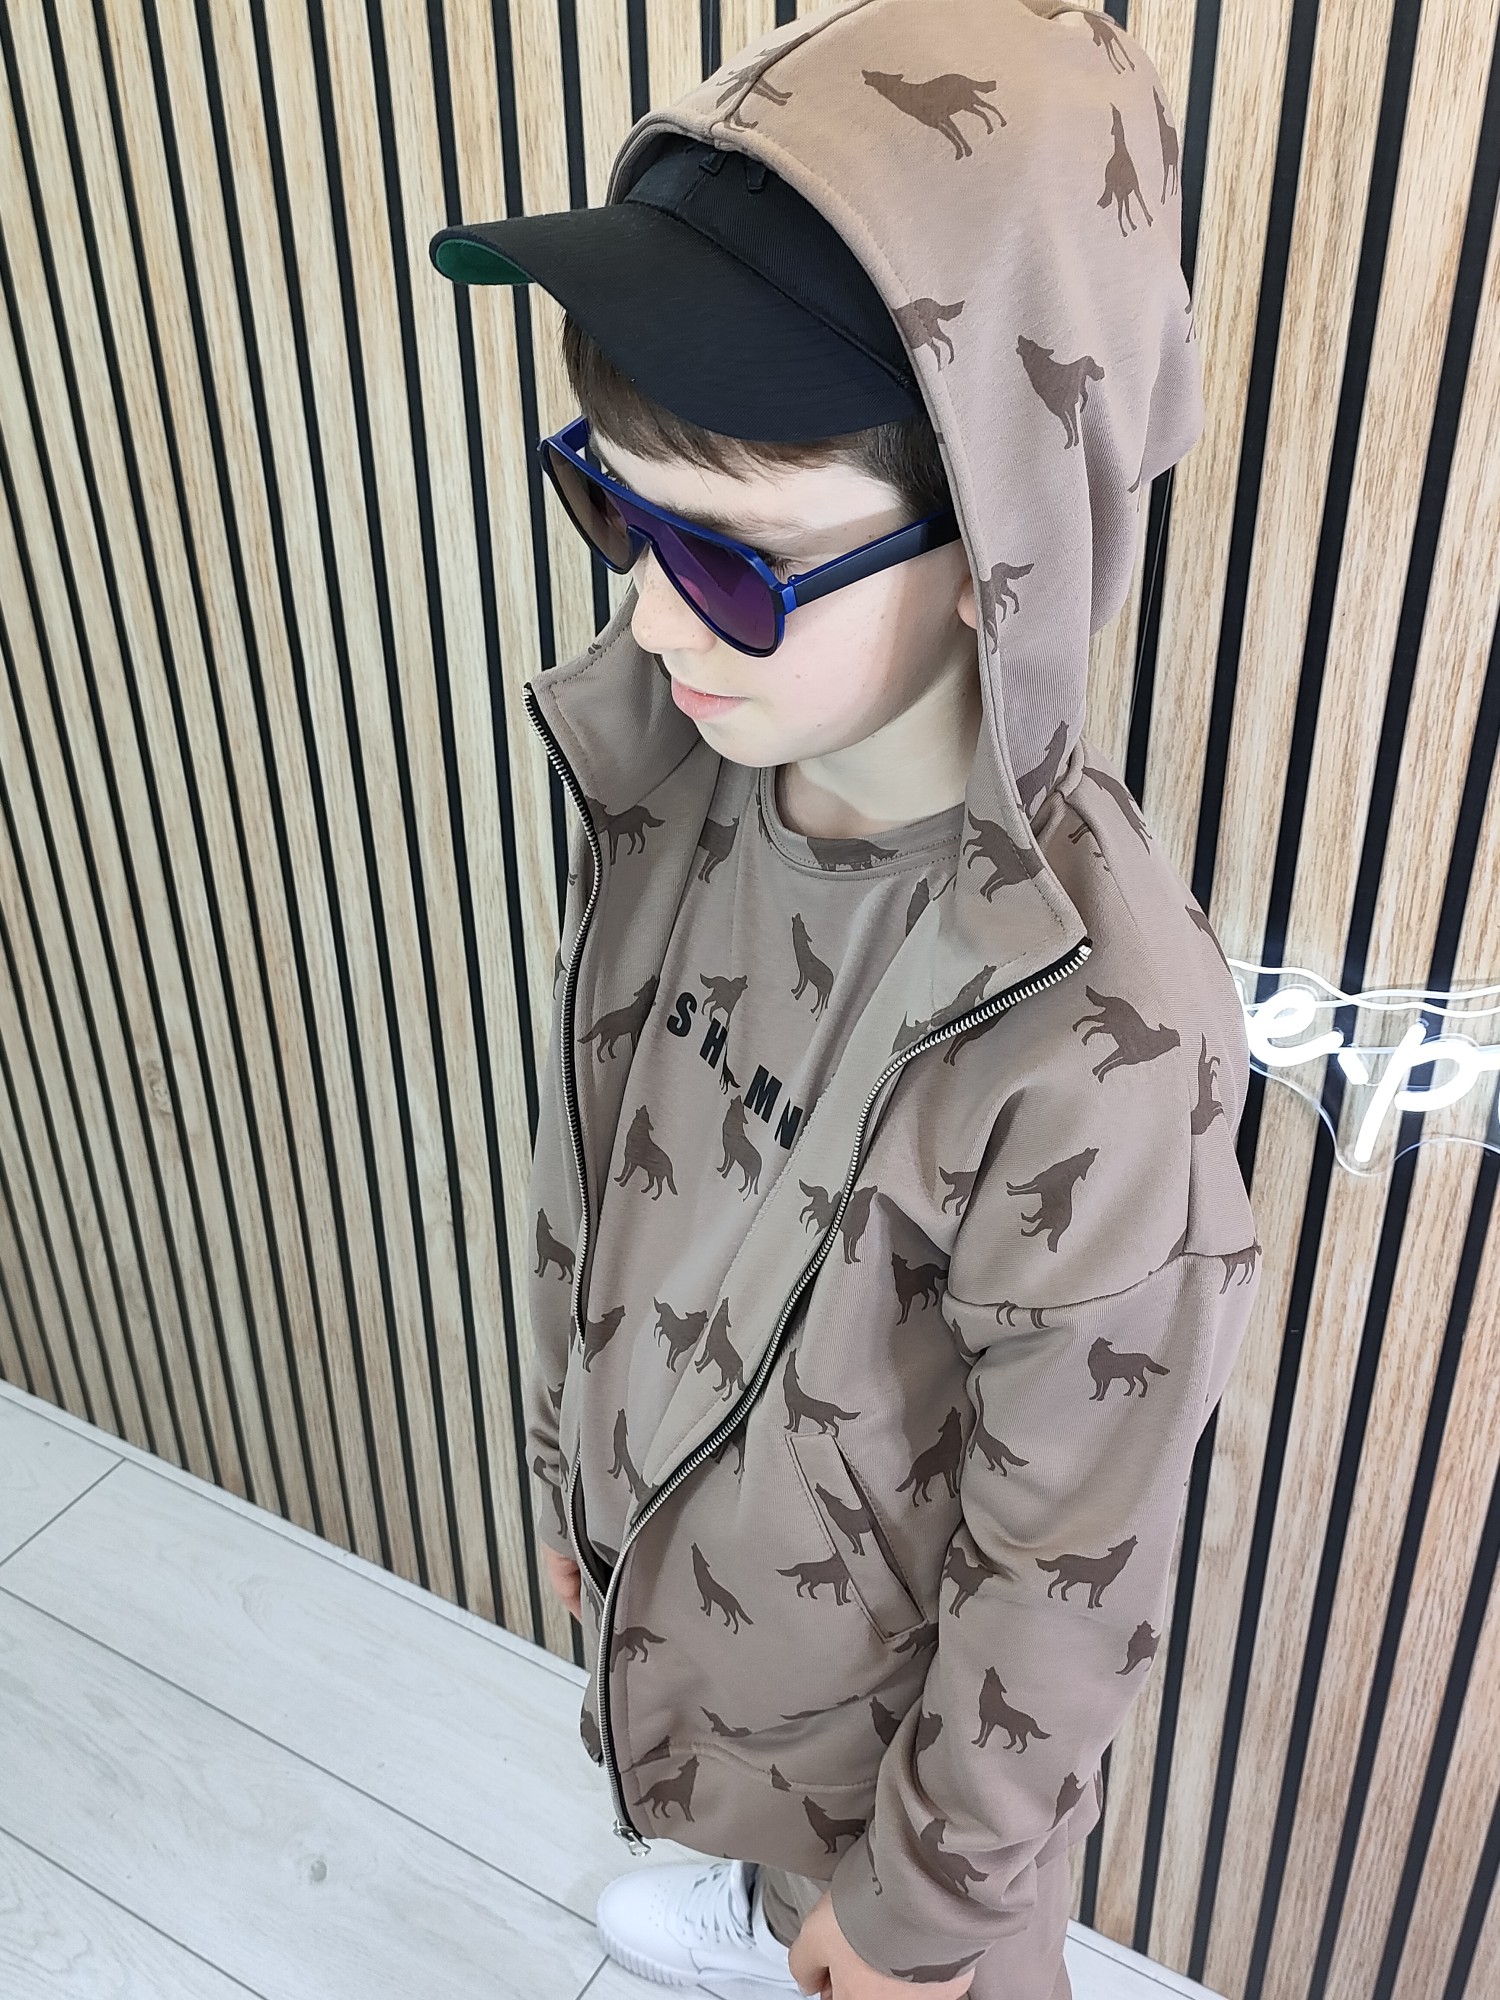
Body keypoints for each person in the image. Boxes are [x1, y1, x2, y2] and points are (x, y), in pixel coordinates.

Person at [428, 5, 1261, 1998]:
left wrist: (923, 1916)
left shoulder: (1097, 1037)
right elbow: (609, 1154)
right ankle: (744, 1896)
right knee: (748, 1829)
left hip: (905, 1767)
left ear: (1001, 539)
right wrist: (576, 1469)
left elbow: (1071, 1562)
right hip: (709, 1627)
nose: (647, 611)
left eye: (736, 562)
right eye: (612, 504)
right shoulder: (682, 768)